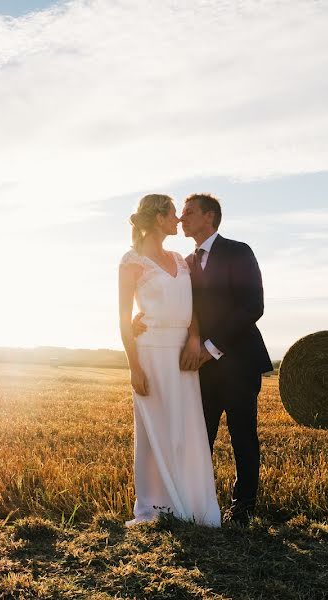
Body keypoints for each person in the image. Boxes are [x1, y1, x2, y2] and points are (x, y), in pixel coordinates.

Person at [136, 193, 272, 525]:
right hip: (200, 370)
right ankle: (194, 503)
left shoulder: (238, 251)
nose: (181, 219)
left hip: (238, 363)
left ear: (209, 217)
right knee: (198, 438)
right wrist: (141, 317)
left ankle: (243, 509)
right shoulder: (186, 263)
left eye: (189, 212)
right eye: (179, 213)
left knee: (243, 438)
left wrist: (210, 348)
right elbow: (178, 305)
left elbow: (253, 305)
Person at [118, 194, 221, 527]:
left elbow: (192, 309)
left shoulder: (180, 259)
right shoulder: (131, 262)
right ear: (158, 217)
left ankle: (192, 504)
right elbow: (123, 318)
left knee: (186, 428)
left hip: (182, 354)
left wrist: (194, 338)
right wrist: (134, 367)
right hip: (149, 352)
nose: (178, 219)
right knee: (153, 432)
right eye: (173, 213)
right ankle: (154, 507)